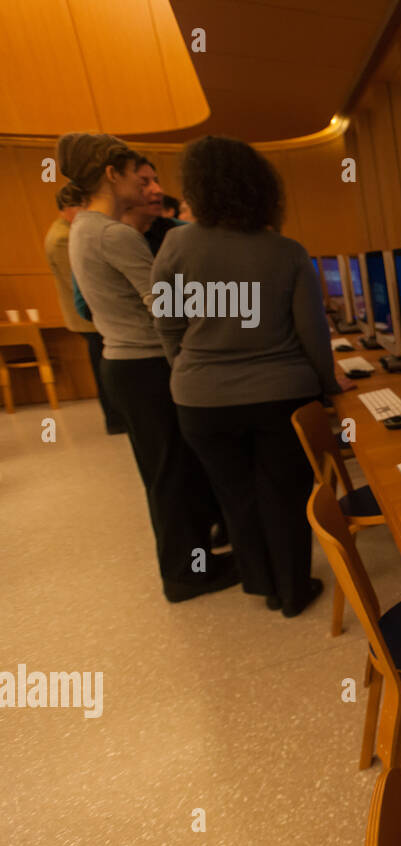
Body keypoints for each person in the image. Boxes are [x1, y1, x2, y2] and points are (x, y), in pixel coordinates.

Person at [152, 135, 339, 617]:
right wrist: (328, 387)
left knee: (235, 497)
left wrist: (189, 370)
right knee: (285, 495)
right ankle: (294, 590)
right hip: (282, 395)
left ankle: (262, 584)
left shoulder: (175, 243)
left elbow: (167, 324)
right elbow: (313, 335)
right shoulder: (287, 252)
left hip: (200, 400)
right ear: (261, 187)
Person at [60, 131, 237, 603]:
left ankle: (194, 561)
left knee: (166, 471)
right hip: (146, 366)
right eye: (139, 177)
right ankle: (185, 574)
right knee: (173, 474)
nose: (148, 188)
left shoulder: (83, 227)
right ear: (111, 175)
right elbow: (163, 306)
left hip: (123, 363)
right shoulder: (114, 234)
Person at [44, 188, 126, 433]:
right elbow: (81, 281)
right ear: (69, 208)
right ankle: (115, 419)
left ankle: (116, 417)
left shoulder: (66, 232)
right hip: (89, 318)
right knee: (103, 369)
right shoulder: (63, 237)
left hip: (90, 317)